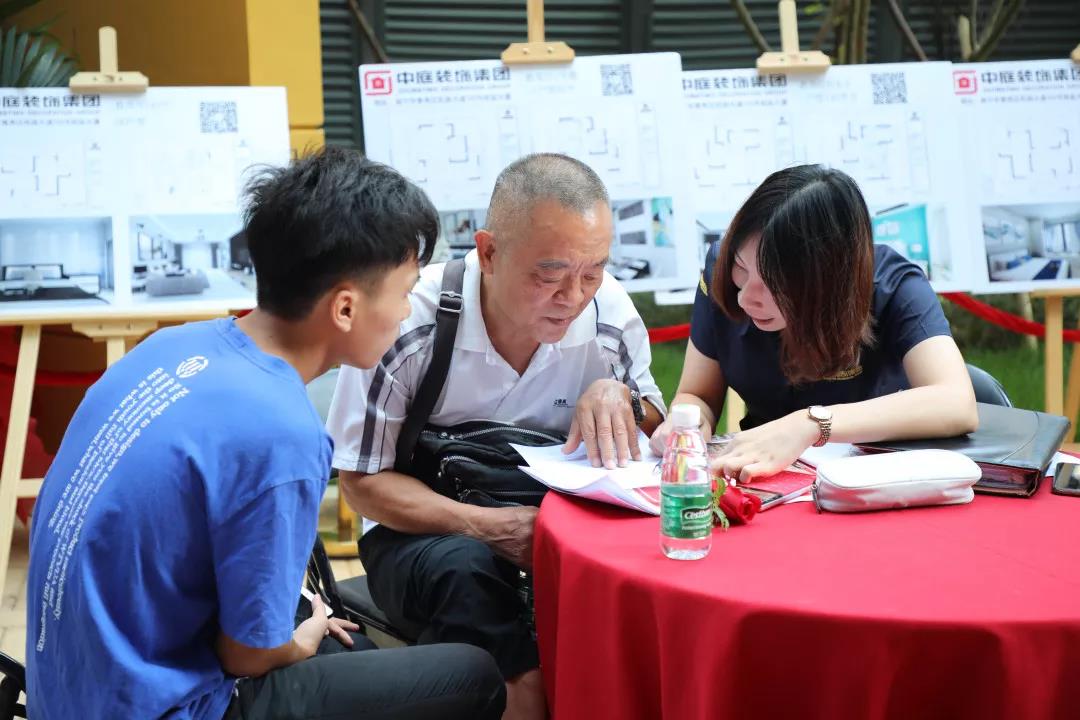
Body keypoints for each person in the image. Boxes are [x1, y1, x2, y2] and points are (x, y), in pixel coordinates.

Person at [25, 147, 506, 720]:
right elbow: (248, 655)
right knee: (474, 675)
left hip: (73, 690)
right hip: (165, 706)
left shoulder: (171, 347)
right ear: (345, 308)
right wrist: (299, 640)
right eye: (403, 293)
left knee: (336, 634)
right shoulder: (283, 432)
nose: (406, 313)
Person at [327, 153, 666, 719]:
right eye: (549, 275)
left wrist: (622, 400)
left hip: (555, 522)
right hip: (425, 534)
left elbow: (655, 423)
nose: (573, 296)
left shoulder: (607, 314)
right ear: (488, 253)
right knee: (467, 574)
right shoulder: (410, 320)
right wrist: (485, 526)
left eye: (592, 271)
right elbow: (361, 483)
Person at [650, 164, 978, 480]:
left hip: (868, 477)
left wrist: (810, 424)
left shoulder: (892, 286)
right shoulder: (721, 274)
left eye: (774, 281)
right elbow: (698, 395)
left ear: (832, 277)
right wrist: (687, 424)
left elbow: (956, 402)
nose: (746, 297)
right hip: (761, 477)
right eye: (741, 266)